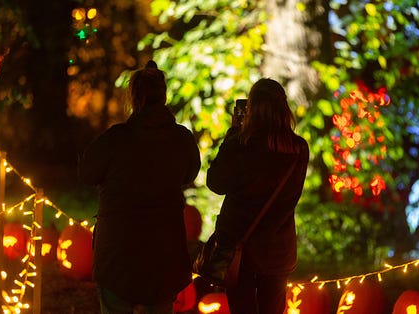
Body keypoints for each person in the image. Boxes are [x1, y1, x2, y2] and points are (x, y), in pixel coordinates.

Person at [78, 60, 201, 314]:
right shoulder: (181, 140)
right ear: (163, 95)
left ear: (134, 97)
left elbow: (87, 172)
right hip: (164, 254)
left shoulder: (115, 139)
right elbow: (190, 173)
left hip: (118, 254)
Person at [206, 78, 309, 313]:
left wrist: (233, 135)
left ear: (252, 109)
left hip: (240, 250)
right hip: (277, 250)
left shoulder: (242, 144)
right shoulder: (298, 148)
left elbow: (215, 182)